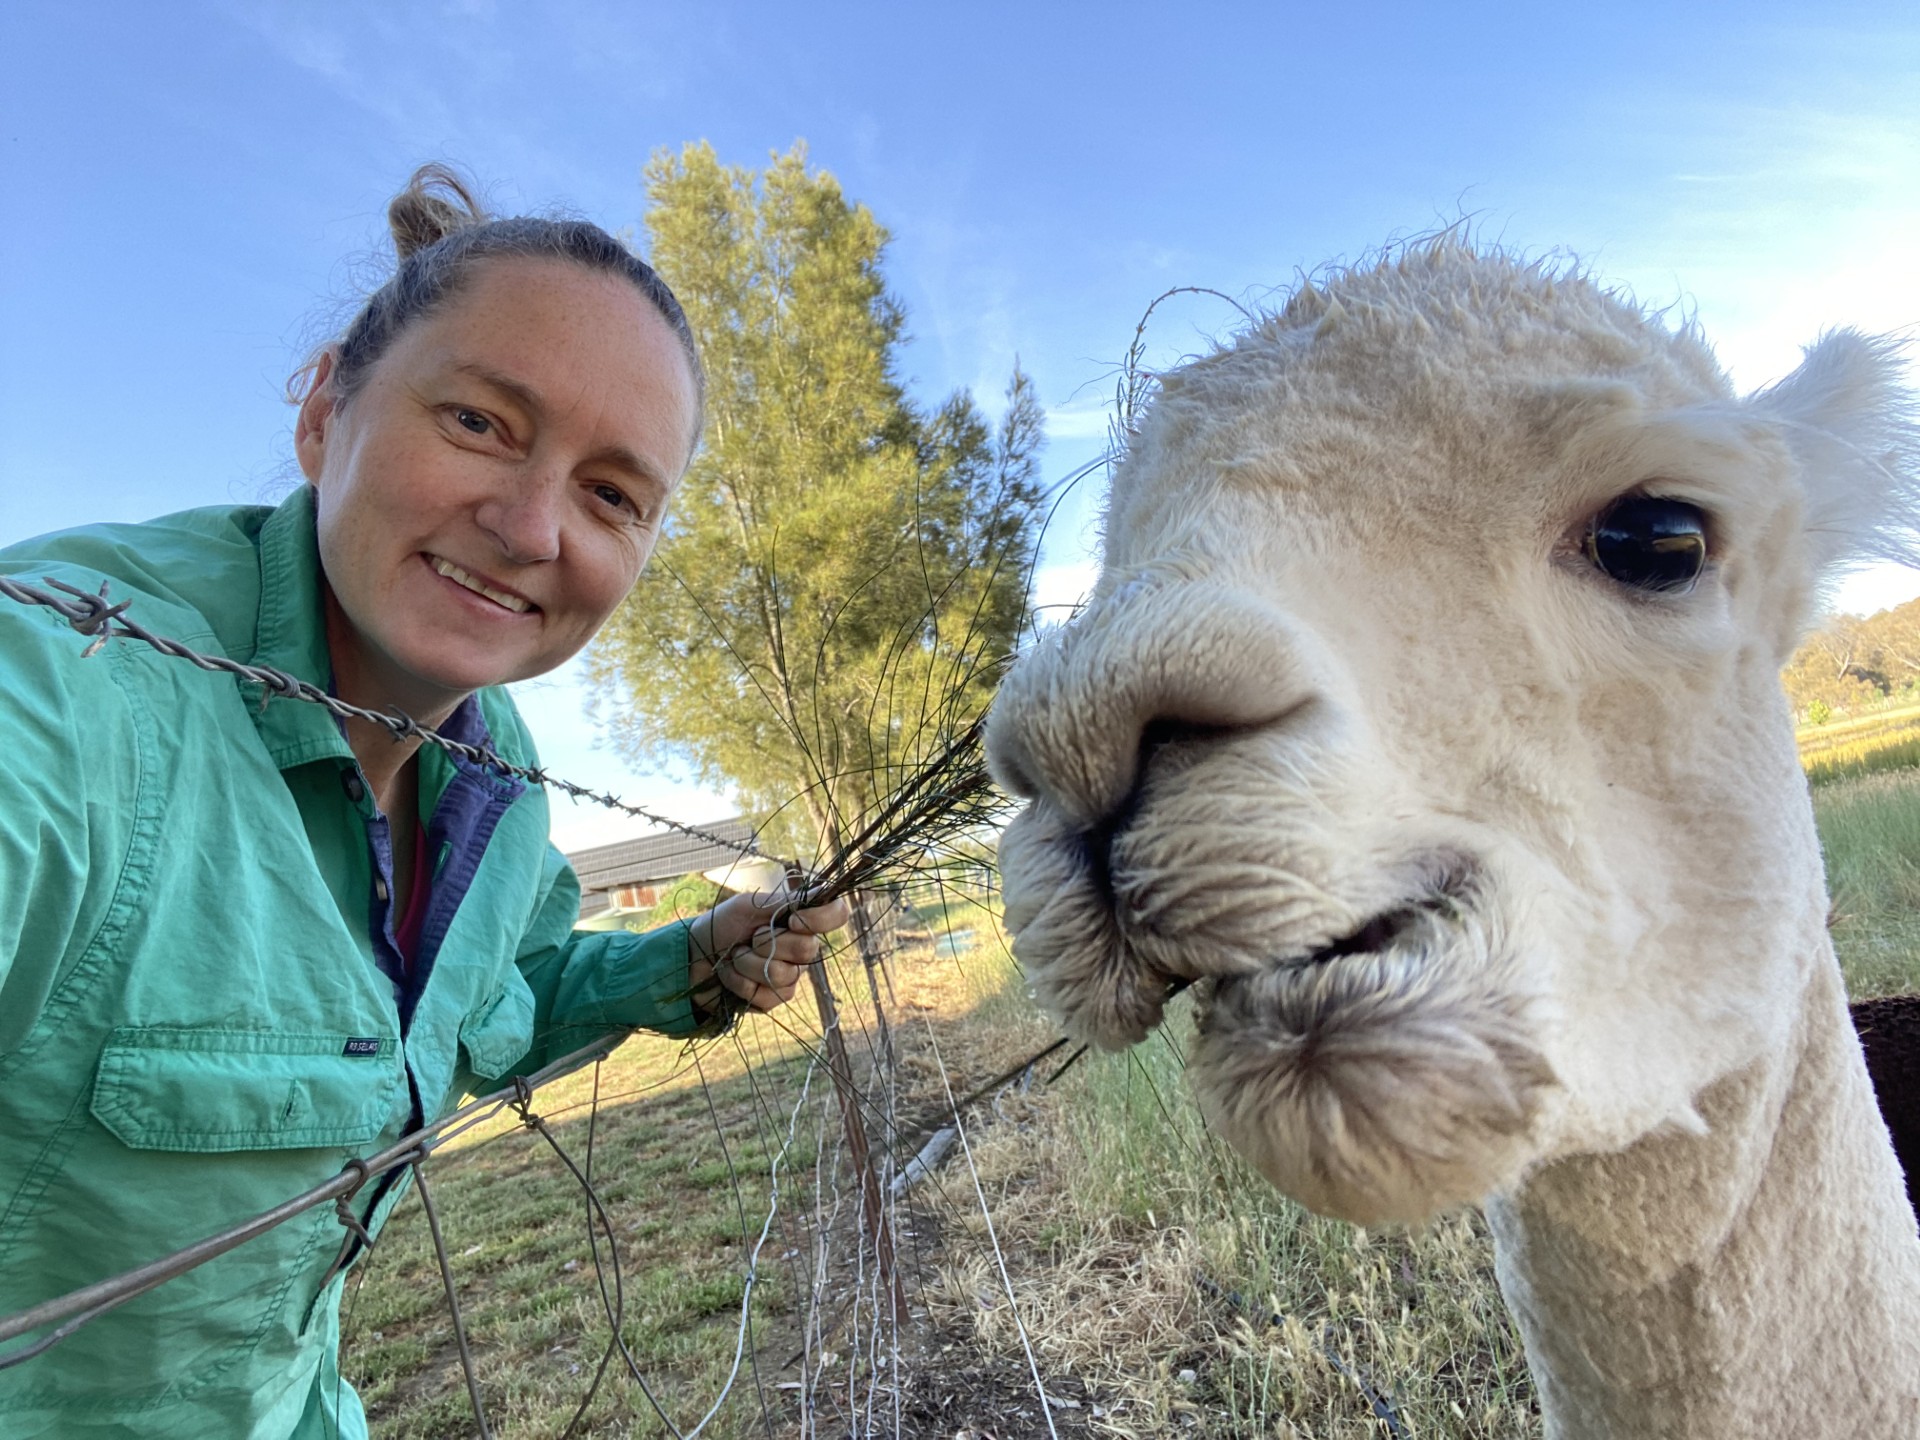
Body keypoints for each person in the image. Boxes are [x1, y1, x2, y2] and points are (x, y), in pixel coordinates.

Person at [0, 164, 849, 1438]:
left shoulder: (493, 777)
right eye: (480, 423)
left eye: (612, 494)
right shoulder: (70, 694)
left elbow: (491, 998)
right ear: (325, 408)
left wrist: (687, 966)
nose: (528, 525)